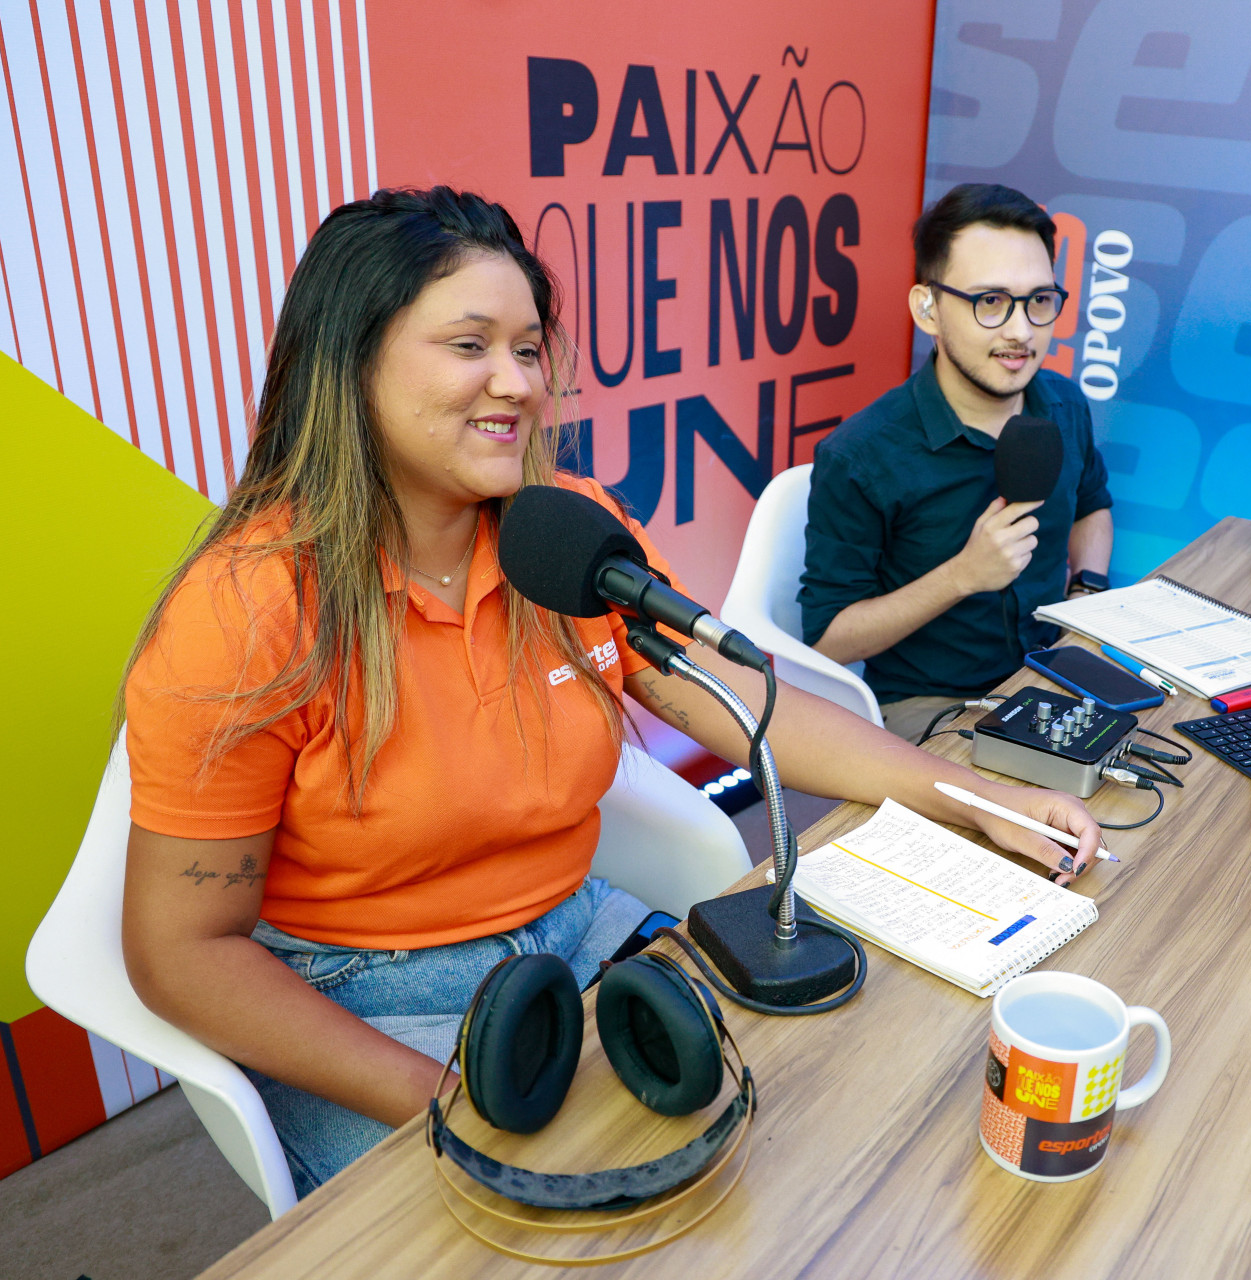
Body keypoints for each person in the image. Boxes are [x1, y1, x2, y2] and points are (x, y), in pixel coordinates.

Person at [118, 188, 1103, 1199]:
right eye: (470, 345)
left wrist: (977, 800)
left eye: (531, 348)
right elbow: (179, 949)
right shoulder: (247, 607)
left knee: (796, 1121)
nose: (516, 382)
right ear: (352, 358)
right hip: (364, 990)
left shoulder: (569, 532)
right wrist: (446, 1092)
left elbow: (747, 704)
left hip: (574, 924)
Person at [800, 184, 1114, 741]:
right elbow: (829, 638)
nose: (1020, 331)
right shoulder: (861, 455)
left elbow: (1092, 505)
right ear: (928, 308)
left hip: (1053, 675)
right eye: (989, 302)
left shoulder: (1064, 406)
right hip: (933, 704)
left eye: (1039, 300)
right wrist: (962, 577)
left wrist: (1086, 597)